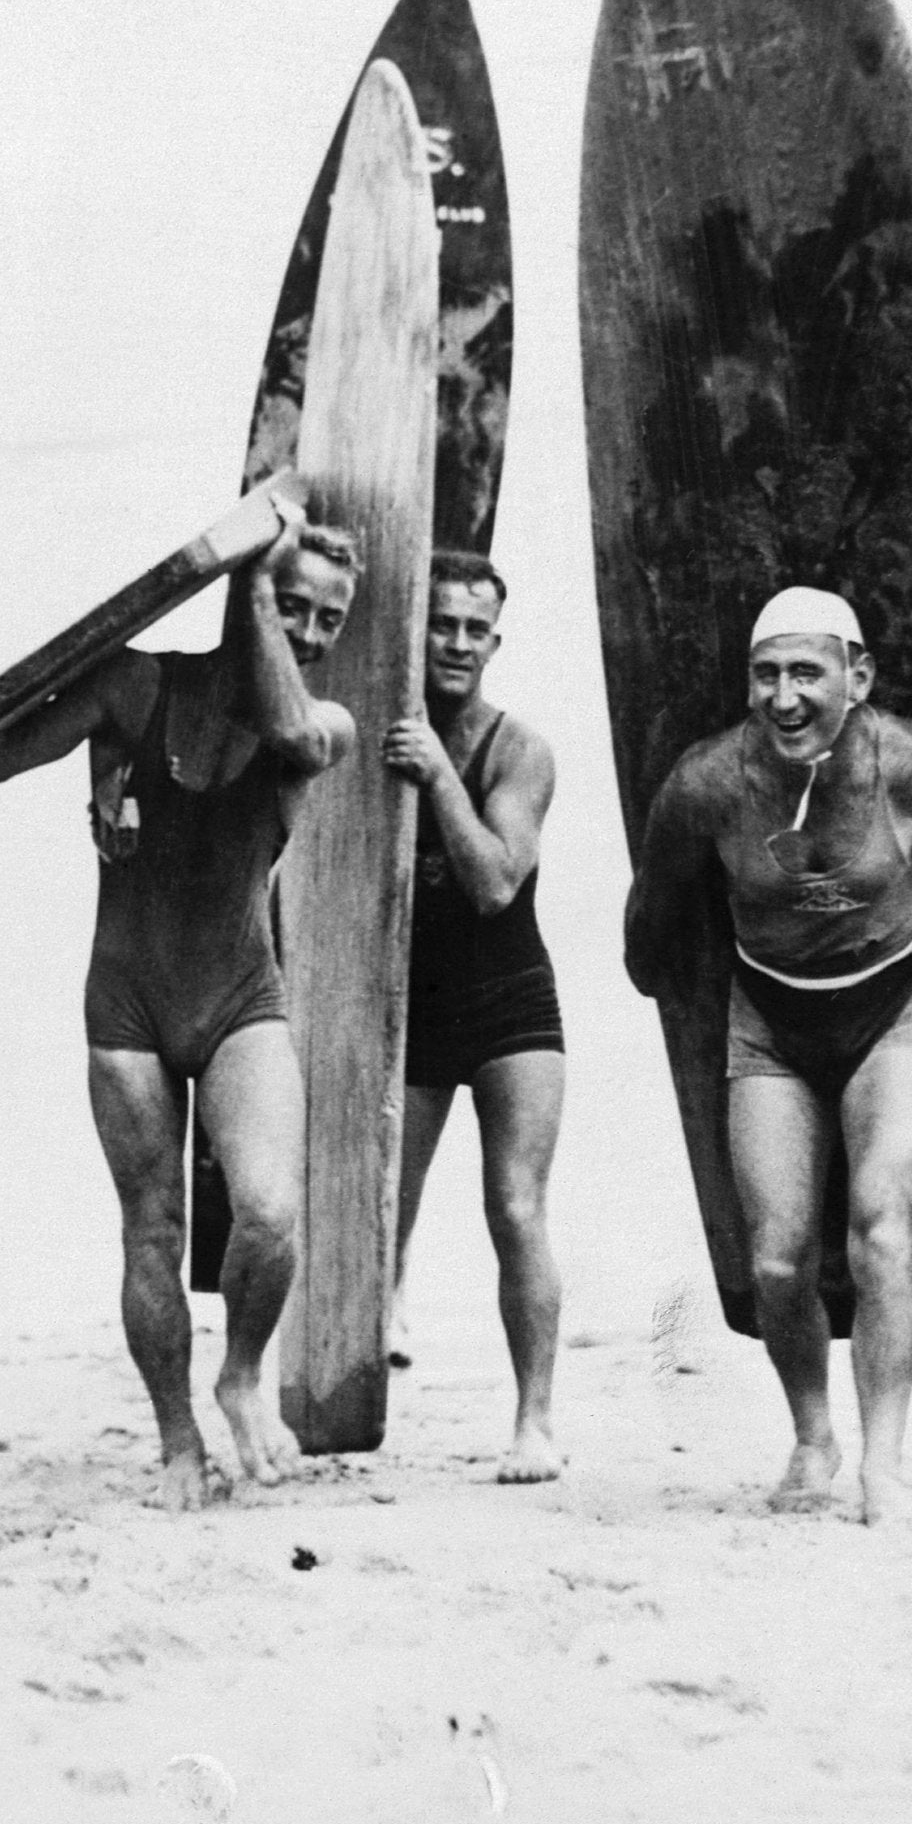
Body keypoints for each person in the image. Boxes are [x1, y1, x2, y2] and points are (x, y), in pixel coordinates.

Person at [0, 514, 358, 1509]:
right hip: (125, 1003)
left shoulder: (320, 727)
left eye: (324, 618)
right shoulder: (137, 685)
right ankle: (176, 1443)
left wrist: (249, 576)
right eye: (287, 603)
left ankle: (241, 1373)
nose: (304, 627)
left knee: (271, 1213)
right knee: (150, 1230)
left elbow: (287, 727)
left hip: (242, 993)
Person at [624, 586, 912, 1530]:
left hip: (895, 1012)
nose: (783, 697)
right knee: (776, 1261)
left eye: (806, 672)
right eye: (765, 674)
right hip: (769, 1022)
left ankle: (884, 1462)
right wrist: (692, 1011)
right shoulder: (707, 785)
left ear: (858, 677)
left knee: (883, 1226)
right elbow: (650, 931)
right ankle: (814, 1436)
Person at [381, 551, 566, 1483]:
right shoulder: (381, 731)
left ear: (495, 640)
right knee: (384, 1215)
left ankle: (534, 1422)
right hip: (408, 1001)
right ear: (414, 629)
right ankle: (368, 1344)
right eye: (439, 625)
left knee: (516, 1205)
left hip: (508, 999)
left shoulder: (518, 749)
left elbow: (496, 882)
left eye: (473, 630)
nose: (455, 644)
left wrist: (438, 777)